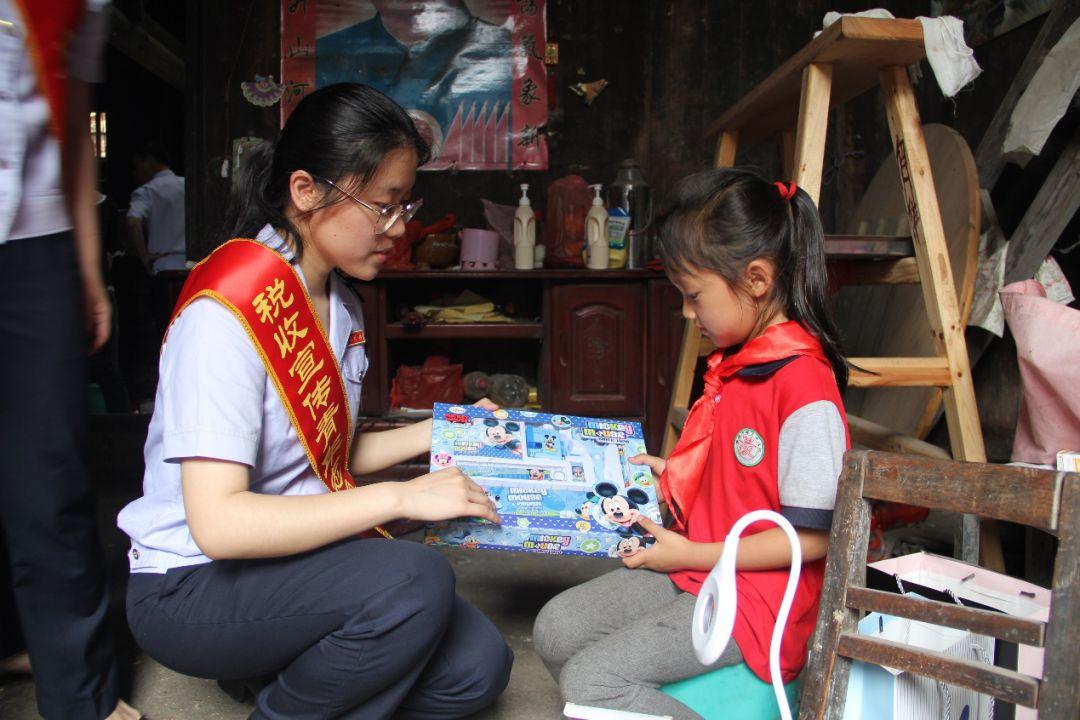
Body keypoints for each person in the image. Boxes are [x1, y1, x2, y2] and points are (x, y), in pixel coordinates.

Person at [117, 83, 513, 720]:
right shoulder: (228, 314)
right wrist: (402, 495)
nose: (399, 227)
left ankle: (280, 669)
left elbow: (326, 451)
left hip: (292, 562)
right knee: (415, 580)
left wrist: (443, 431)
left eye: (403, 205)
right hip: (192, 585)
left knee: (477, 669)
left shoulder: (340, 301)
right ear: (305, 192)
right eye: (383, 206)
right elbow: (219, 524)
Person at [532, 169, 851, 718]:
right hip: (701, 569)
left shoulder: (803, 388)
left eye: (693, 296)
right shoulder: (738, 364)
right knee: (556, 630)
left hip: (755, 601)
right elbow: (736, 474)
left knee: (591, 681)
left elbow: (814, 541)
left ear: (756, 279)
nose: (686, 313)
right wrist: (676, 474)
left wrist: (690, 553)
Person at [0, 1, 140, 718]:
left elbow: (75, 129)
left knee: (48, 474)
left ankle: (79, 692)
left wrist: (88, 269)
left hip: (32, 244)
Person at [126, 140, 185, 276]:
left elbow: (133, 221)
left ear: (150, 162)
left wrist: (144, 255)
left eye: (137, 166)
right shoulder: (188, 185)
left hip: (163, 266)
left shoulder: (147, 191)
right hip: (194, 265)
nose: (136, 173)